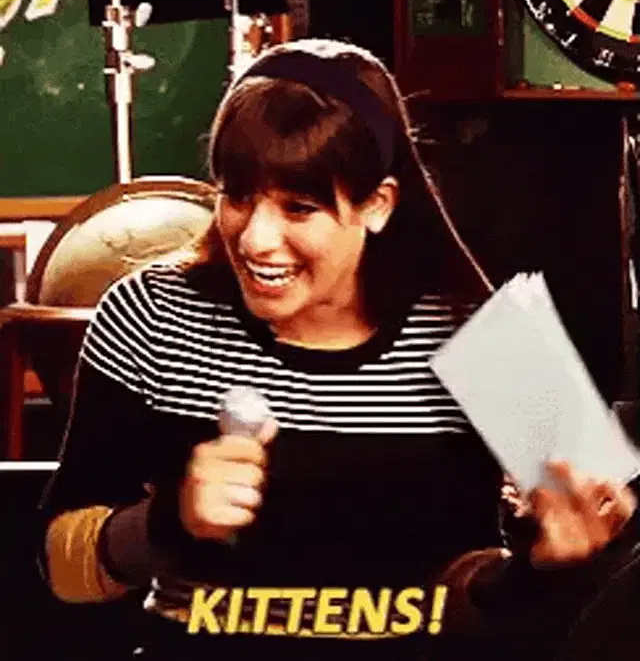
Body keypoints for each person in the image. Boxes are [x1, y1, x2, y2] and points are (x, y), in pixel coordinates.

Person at [37, 38, 639, 661]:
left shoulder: (486, 335)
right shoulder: (152, 314)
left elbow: (548, 595)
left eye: (299, 207)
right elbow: (59, 570)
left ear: (377, 204)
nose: (256, 238)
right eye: (237, 195)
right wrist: (168, 522)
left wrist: (541, 569)